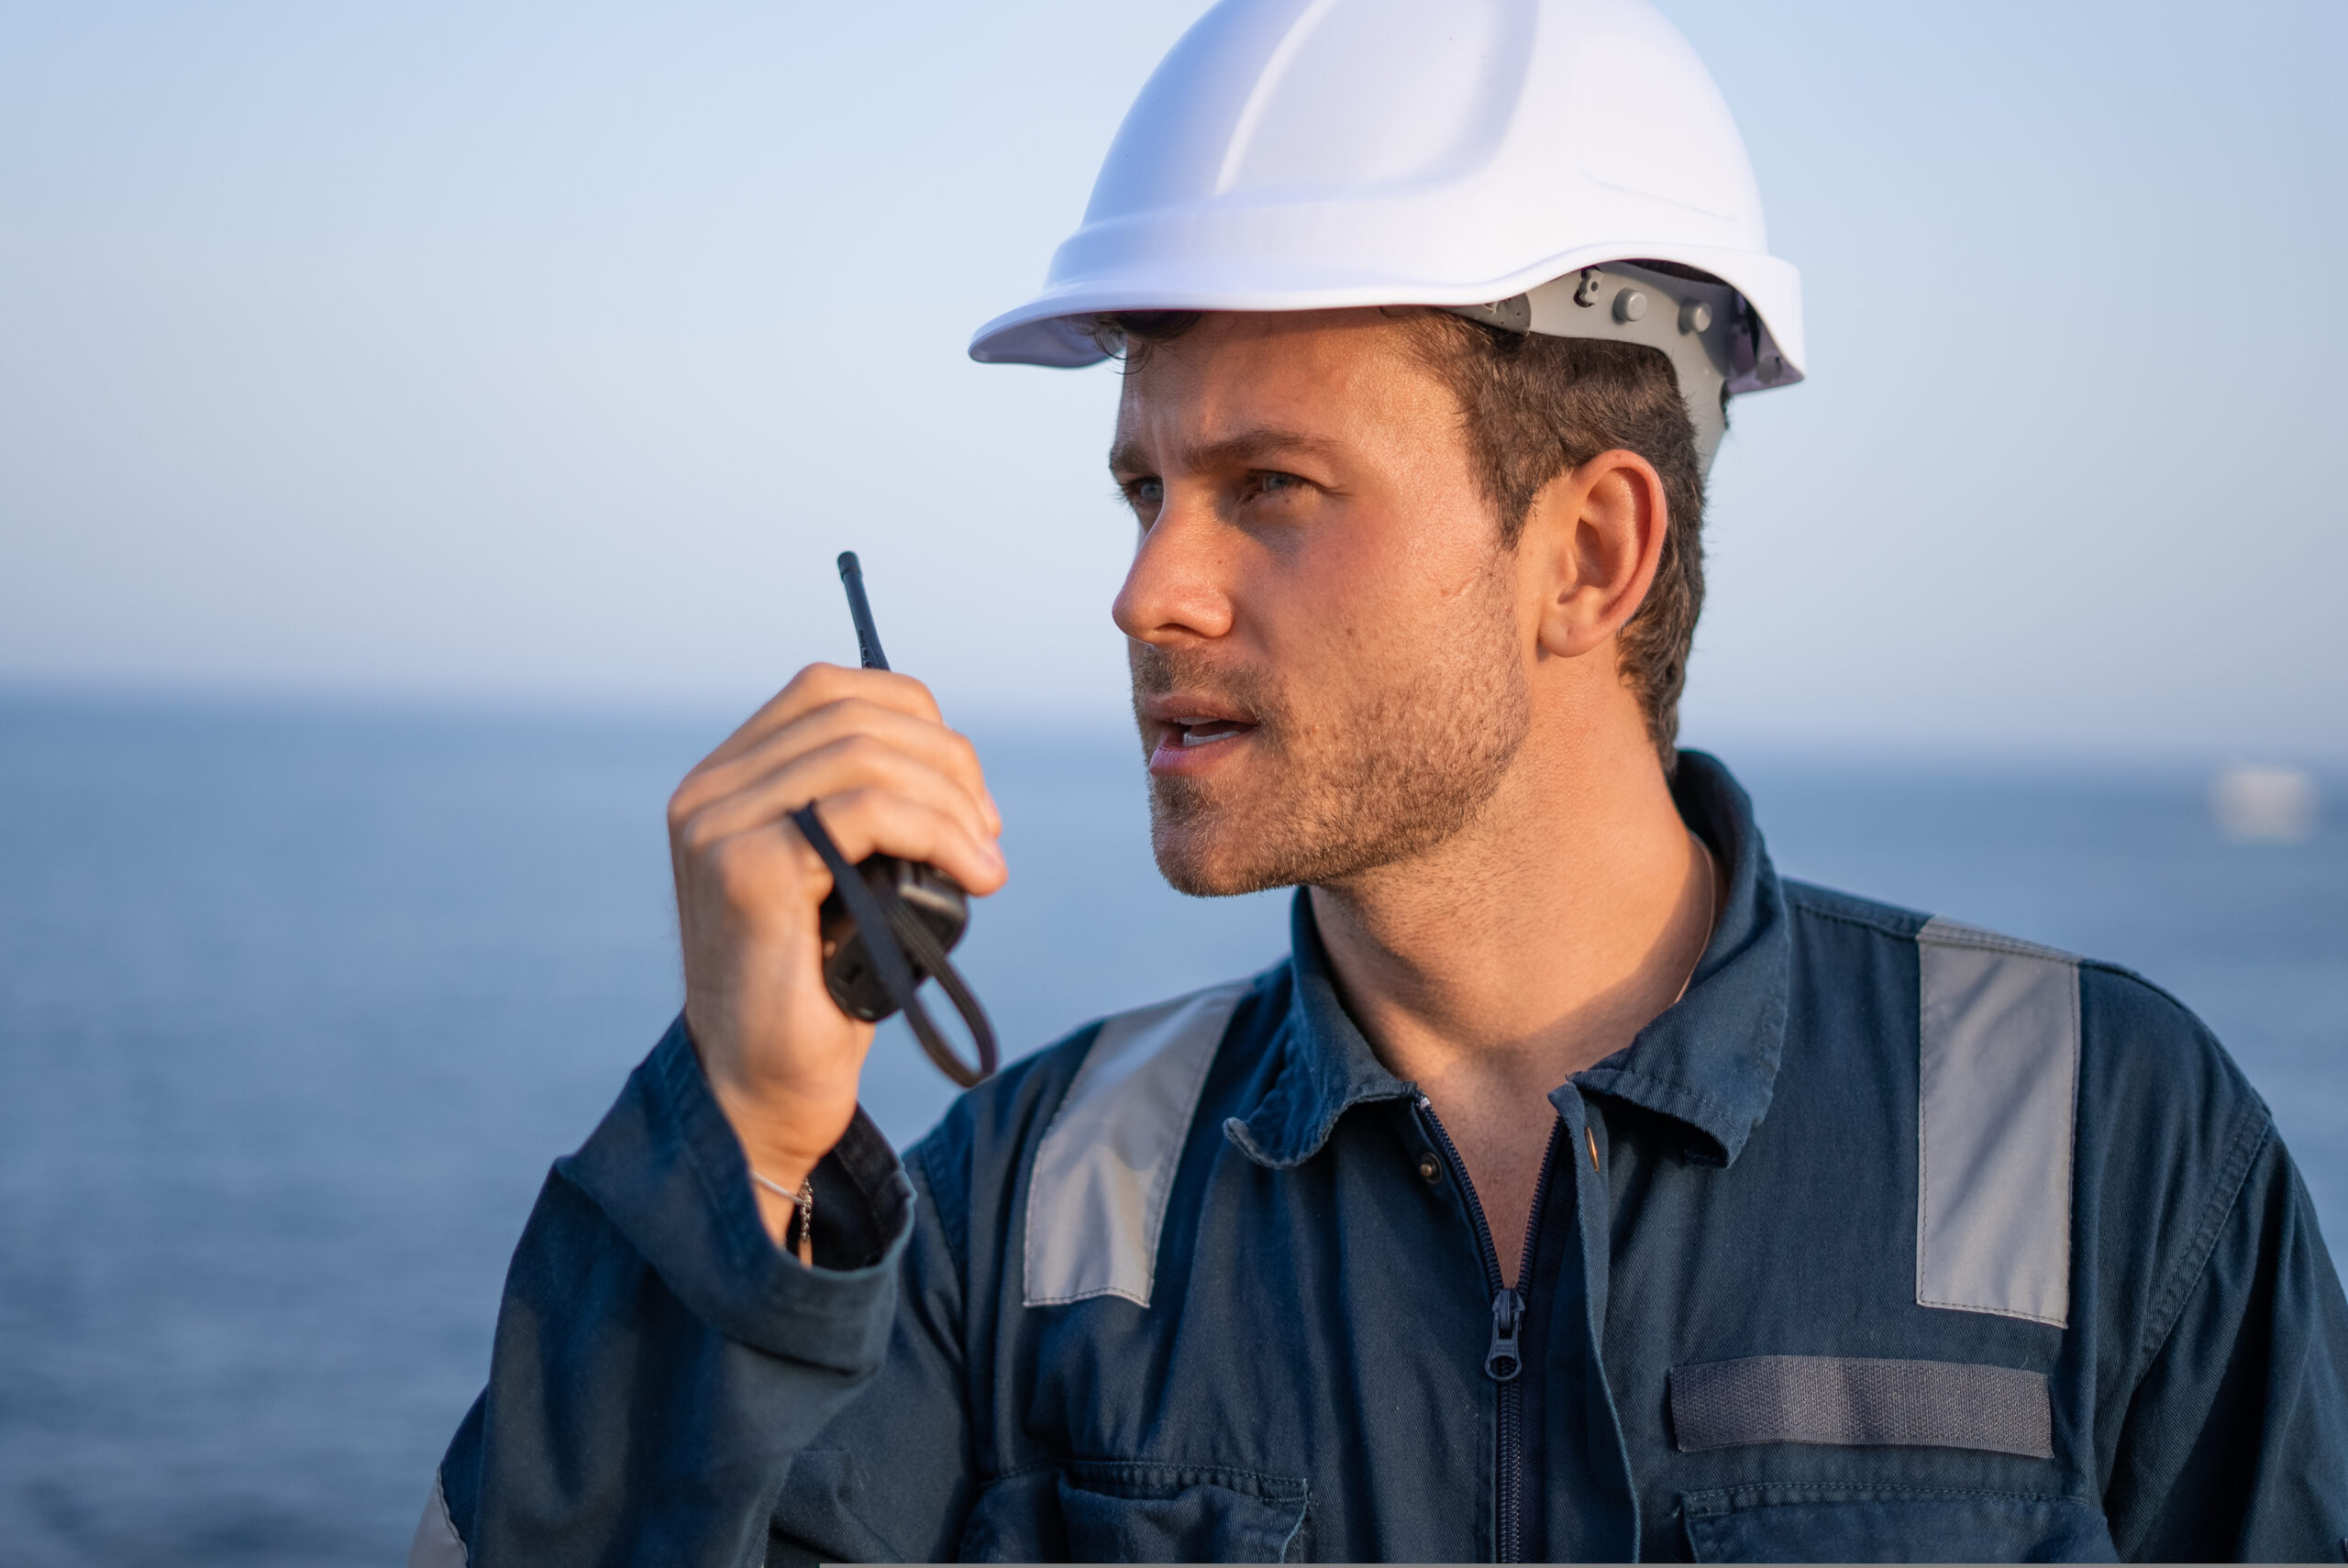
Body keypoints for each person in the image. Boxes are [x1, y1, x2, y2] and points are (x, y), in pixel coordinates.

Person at [410, 1, 2348, 1562]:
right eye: (1143, 490)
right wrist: (746, 1136)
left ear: (1589, 555)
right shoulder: (1023, 1211)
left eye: (1270, 490)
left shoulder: (2106, 1143)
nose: (1147, 590)